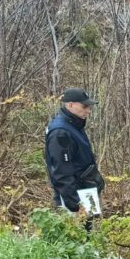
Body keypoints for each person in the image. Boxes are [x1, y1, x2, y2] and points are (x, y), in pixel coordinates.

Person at [45, 88, 105, 229]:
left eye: (90, 107)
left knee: (93, 233)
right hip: (76, 195)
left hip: (87, 189)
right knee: (77, 237)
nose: (88, 110)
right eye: (85, 106)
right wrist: (75, 205)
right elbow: (61, 172)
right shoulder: (61, 132)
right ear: (70, 105)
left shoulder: (74, 124)